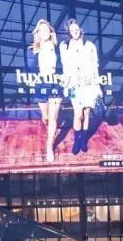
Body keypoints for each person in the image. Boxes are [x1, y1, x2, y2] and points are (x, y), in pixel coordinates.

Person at [59, 19, 102, 154]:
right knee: (78, 114)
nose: (75, 32)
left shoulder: (89, 45)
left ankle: (83, 140)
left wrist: (97, 86)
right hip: (73, 85)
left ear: (81, 30)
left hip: (88, 84)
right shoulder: (64, 46)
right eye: (72, 30)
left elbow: (95, 67)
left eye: (77, 29)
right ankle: (76, 141)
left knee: (86, 113)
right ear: (69, 32)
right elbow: (65, 67)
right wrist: (66, 86)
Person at [29, 19, 62, 163]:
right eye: (41, 30)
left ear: (50, 32)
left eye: (47, 29)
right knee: (46, 117)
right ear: (38, 33)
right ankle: (50, 128)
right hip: (41, 84)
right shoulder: (33, 50)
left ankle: (49, 147)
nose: (45, 32)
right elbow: (28, 69)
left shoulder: (57, 47)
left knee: (53, 119)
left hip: (55, 83)